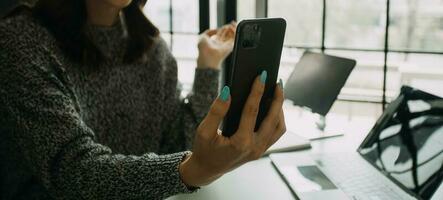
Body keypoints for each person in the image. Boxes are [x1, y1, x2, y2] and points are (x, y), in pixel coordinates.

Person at [0, 0, 286, 199]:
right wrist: (191, 171)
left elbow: (178, 143)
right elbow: (74, 173)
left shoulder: (153, 49)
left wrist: (208, 66)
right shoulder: (21, 42)